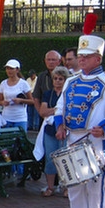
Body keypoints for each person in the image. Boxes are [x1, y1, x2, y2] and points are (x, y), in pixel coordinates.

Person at [55, 14, 105, 208]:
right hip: (73, 138)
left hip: (96, 142)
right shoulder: (70, 81)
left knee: (95, 188)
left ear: (98, 58)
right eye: (80, 55)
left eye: (86, 56)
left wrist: (103, 129)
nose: (81, 59)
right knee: (74, 186)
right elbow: (60, 107)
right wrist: (60, 125)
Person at [36, 65, 70, 196]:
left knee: (65, 158)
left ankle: (66, 186)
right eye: (55, 78)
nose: (57, 81)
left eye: (60, 79)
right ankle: (50, 187)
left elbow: (67, 111)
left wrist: (54, 111)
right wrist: (57, 110)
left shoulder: (68, 94)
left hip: (65, 129)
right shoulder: (48, 94)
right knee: (50, 157)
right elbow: (43, 111)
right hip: (50, 130)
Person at [0, 58, 33, 179]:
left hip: (20, 116)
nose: (9, 71)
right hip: (7, 116)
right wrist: (3, 103)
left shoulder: (23, 83)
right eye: (8, 68)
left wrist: (21, 100)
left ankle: (22, 170)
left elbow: (32, 100)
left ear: (17, 70)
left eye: (11, 68)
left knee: (22, 143)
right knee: (8, 143)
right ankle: (10, 169)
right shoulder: (3, 83)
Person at [32, 50, 62, 117]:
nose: (50, 62)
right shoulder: (42, 76)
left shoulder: (67, 75)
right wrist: (41, 112)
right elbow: (36, 97)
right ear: (45, 61)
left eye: (53, 60)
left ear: (59, 61)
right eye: (48, 60)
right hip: (45, 115)